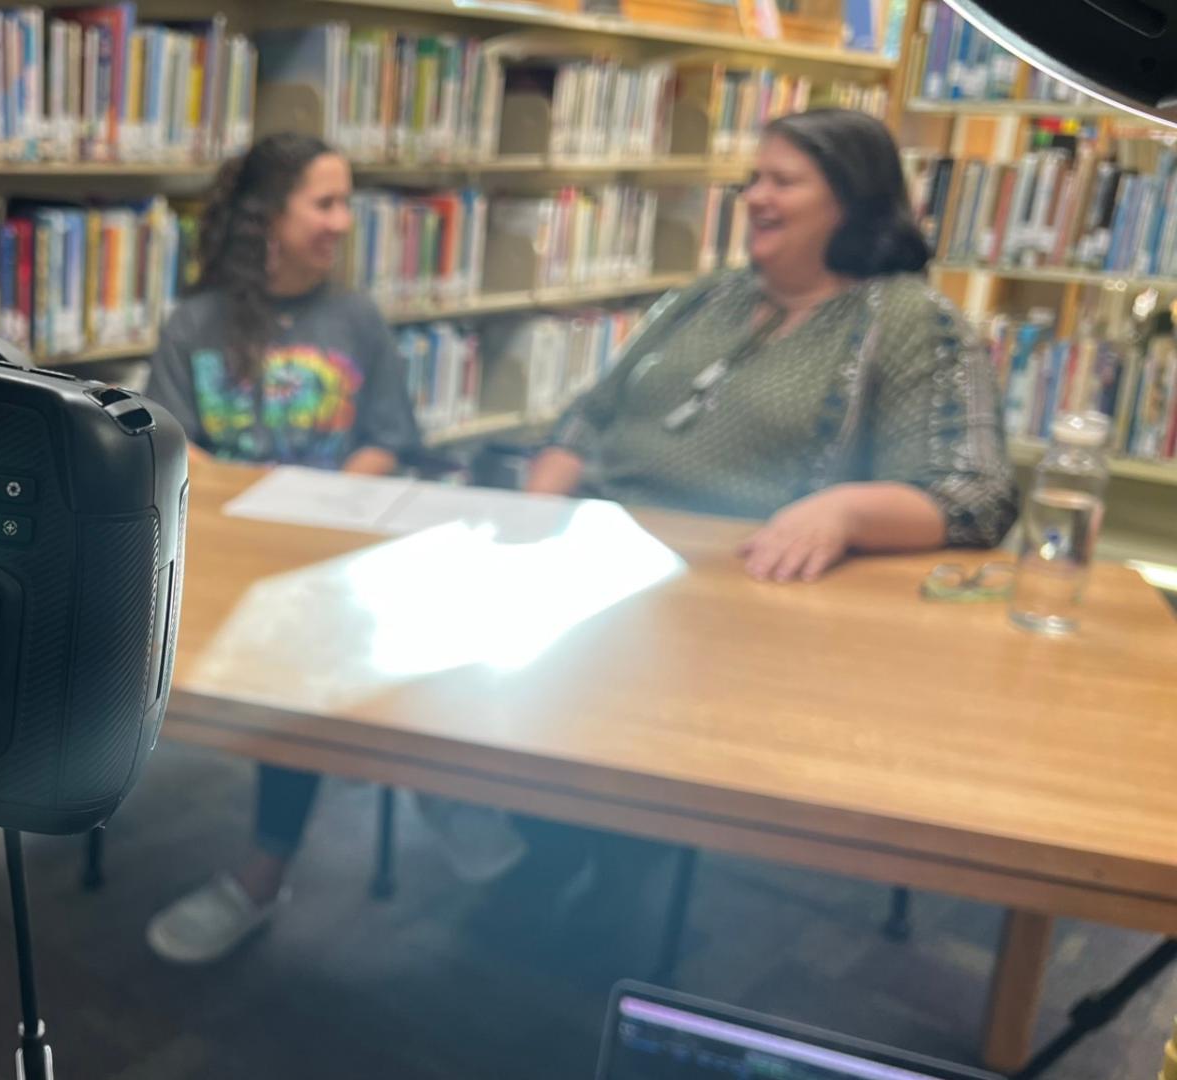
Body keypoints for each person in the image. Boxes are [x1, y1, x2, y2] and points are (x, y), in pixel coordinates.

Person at [143, 132, 526, 966]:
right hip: (236, 558)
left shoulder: (357, 318)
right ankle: (321, 842)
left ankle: (429, 780)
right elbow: (173, 446)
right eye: (325, 202)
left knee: (411, 622)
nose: (341, 223)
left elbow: (391, 439)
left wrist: (326, 501)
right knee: (301, 659)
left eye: (344, 203)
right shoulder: (197, 323)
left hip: (345, 552)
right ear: (267, 219)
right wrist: (257, 506)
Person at [526, 109, 1018, 577]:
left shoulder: (910, 319)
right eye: (754, 179)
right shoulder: (707, 294)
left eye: (783, 182)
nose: (755, 197)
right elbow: (585, 420)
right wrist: (532, 526)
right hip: (602, 556)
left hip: (755, 573)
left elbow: (975, 494)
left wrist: (845, 512)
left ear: (852, 203)